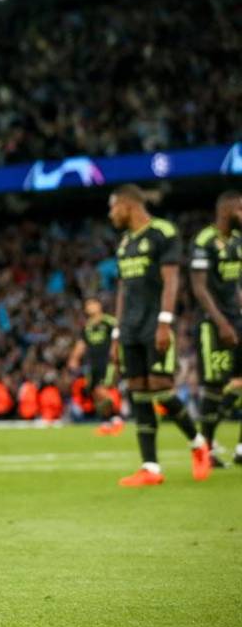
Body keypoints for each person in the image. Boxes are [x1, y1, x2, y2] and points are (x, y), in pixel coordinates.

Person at [107, 185, 212, 486]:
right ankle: (150, 467)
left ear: (127, 205)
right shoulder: (125, 242)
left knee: (162, 390)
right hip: (130, 327)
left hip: (155, 323)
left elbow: (172, 279)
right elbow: (123, 289)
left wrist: (165, 322)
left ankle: (197, 442)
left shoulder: (162, 232)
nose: (110, 214)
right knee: (138, 392)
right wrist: (117, 334)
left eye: (113, 207)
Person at [189, 190, 242, 466]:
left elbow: (236, 286)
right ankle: (205, 449)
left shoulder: (237, 241)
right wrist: (222, 322)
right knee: (214, 386)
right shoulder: (204, 240)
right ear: (227, 211)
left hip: (237, 318)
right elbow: (199, 287)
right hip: (213, 323)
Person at [65, 297, 121, 435]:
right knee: (95, 393)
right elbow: (81, 344)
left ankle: (117, 419)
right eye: (87, 305)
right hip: (92, 363)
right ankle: (107, 422)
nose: (90, 307)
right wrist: (74, 358)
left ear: (99, 305)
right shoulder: (87, 327)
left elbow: (118, 339)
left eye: (92, 304)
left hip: (107, 362)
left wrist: (117, 355)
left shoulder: (110, 322)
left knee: (103, 390)